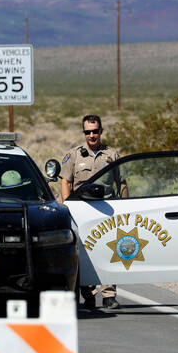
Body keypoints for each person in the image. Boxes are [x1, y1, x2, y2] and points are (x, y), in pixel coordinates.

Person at [59, 114, 120, 310]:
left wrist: (126, 206)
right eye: (88, 132)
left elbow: (122, 183)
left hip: (107, 211)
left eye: (95, 131)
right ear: (84, 133)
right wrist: (67, 206)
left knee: (110, 251)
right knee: (85, 253)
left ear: (101, 131)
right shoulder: (74, 155)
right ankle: (89, 294)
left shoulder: (112, 155)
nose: (92, 135)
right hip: (82, 211)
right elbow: (66, 181)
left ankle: (109, 295)